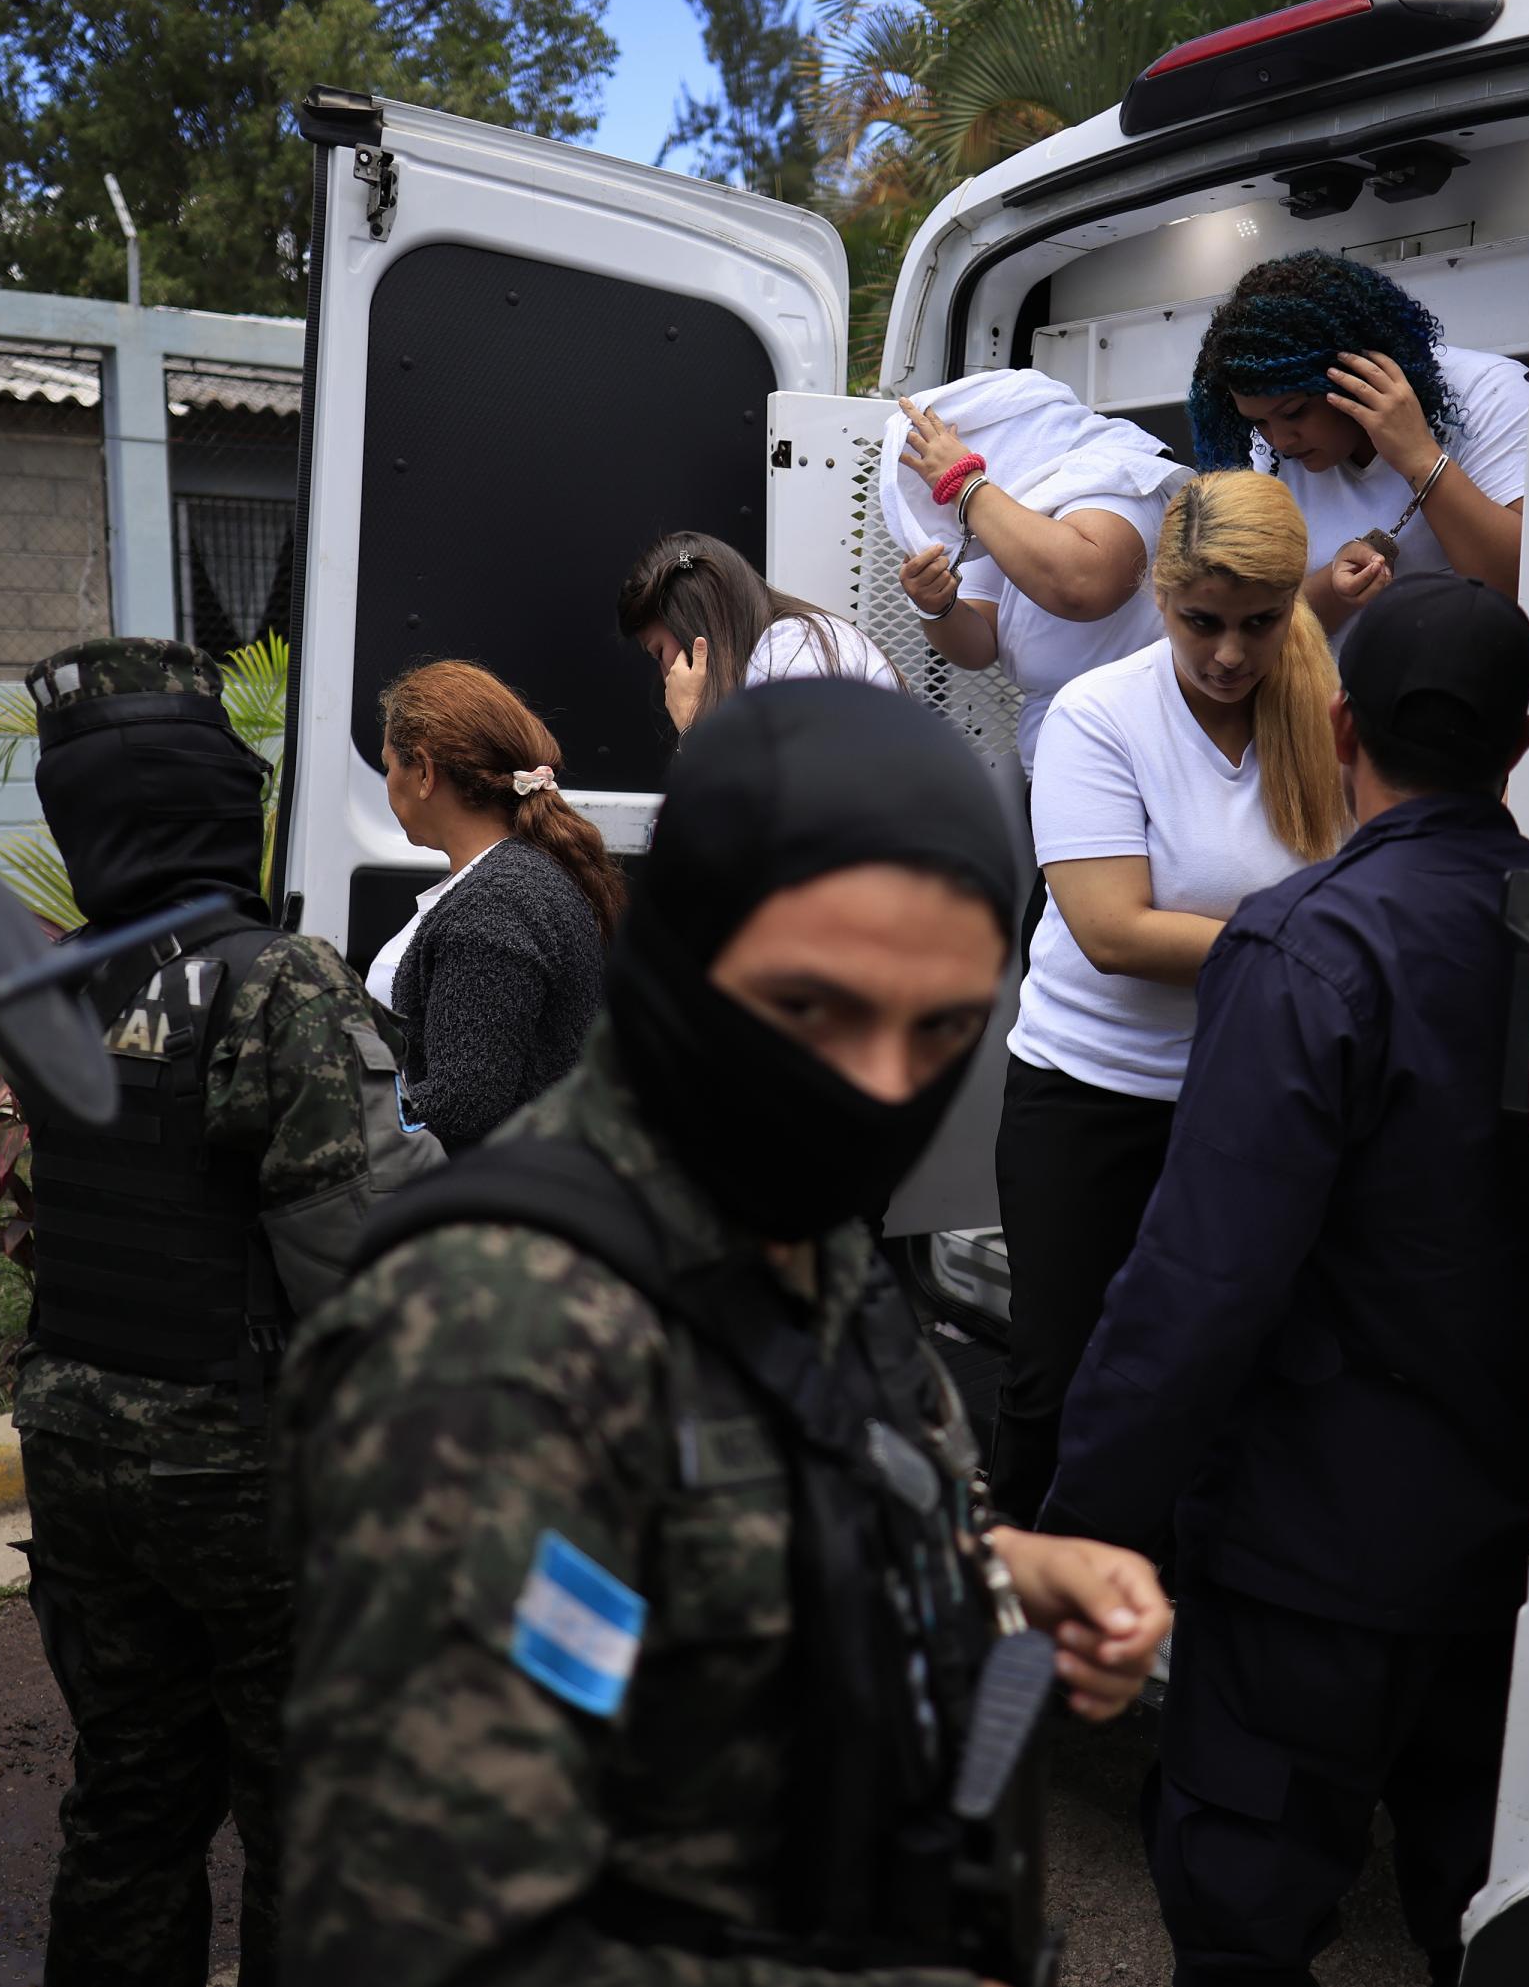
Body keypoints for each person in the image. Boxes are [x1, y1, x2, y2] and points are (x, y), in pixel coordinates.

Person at [278, 678, 1173, 1985]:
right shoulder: (499, 1340)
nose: (877, 1082)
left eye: (941, 1030)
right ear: (687, 960)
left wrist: (1000, 1577)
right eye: (813, 1008)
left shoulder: (802, 1233)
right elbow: (424, 1942)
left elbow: (767, 1558)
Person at [1037, 574, 1529, 1986]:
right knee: (1499, 1891)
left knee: (1246, 1906)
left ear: (1339, 725)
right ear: (1519, 745)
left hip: (1311, 1546)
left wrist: (1086, 1521)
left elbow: (1199, 1280)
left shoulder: (1304, 943)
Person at [11, 637, 435, 1987]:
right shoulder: (276, 980)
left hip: (73, 1442)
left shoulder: (54, 978)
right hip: (243, 1461)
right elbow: (362, 1259)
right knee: (310, 1811)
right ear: (220, 804)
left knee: (130, 1791)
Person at [985, 469, 1348, 1532]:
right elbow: (1112, 931)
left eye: (1258, 625)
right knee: (1062, 1376)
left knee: (1218, 1372)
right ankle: (1022, 1614)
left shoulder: (1321, 714)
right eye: (1203, 624)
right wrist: (1310, 948)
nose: (1231, 653)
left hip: (1242, 1099)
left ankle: (1172, 1612)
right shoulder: (1101, 715)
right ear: (1160, 596)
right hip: (1089, 1098)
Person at [1188, 250, 1529, 631]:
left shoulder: (1488, 392)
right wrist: (1336, 590)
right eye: (1258, 422)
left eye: (1294, 412)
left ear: (1356, 372)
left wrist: (1418, 457)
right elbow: (1252, 622)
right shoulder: (1268, 446)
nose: (1281, 440)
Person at [364, 659, 620, 1150]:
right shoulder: (513, 878)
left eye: (389, 765)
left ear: (424, 772)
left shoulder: (496, 904)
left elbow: (464, 1102)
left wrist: (341, 1117)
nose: (388, 781)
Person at [889, 372, 1188, 779]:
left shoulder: (1113, 473)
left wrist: (968, 485)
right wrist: (938, 608)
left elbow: (1083, 584)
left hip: (1155, 760)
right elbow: (979, 647)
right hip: (1057, 765)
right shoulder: (1001, 511)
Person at [616, 530, 904, 736]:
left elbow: (778, 811)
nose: (666, 675)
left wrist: (693, 725)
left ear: (690, 624)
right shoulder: (788, 649)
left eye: (658, 652)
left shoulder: (793, 654)